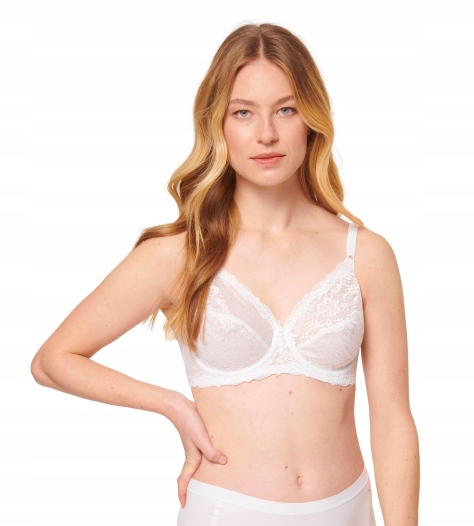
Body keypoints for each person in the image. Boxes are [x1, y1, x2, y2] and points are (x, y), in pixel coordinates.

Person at [31, 23, 420, 525]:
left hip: (347, 511)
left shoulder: (366, 255)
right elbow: (53, 360)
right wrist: (173, 405)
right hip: (227, 511)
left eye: (286, 109)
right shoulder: (181, 255)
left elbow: (392, 419)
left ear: (312, 119)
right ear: (218, 124)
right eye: (243, 112)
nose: (266, 134)